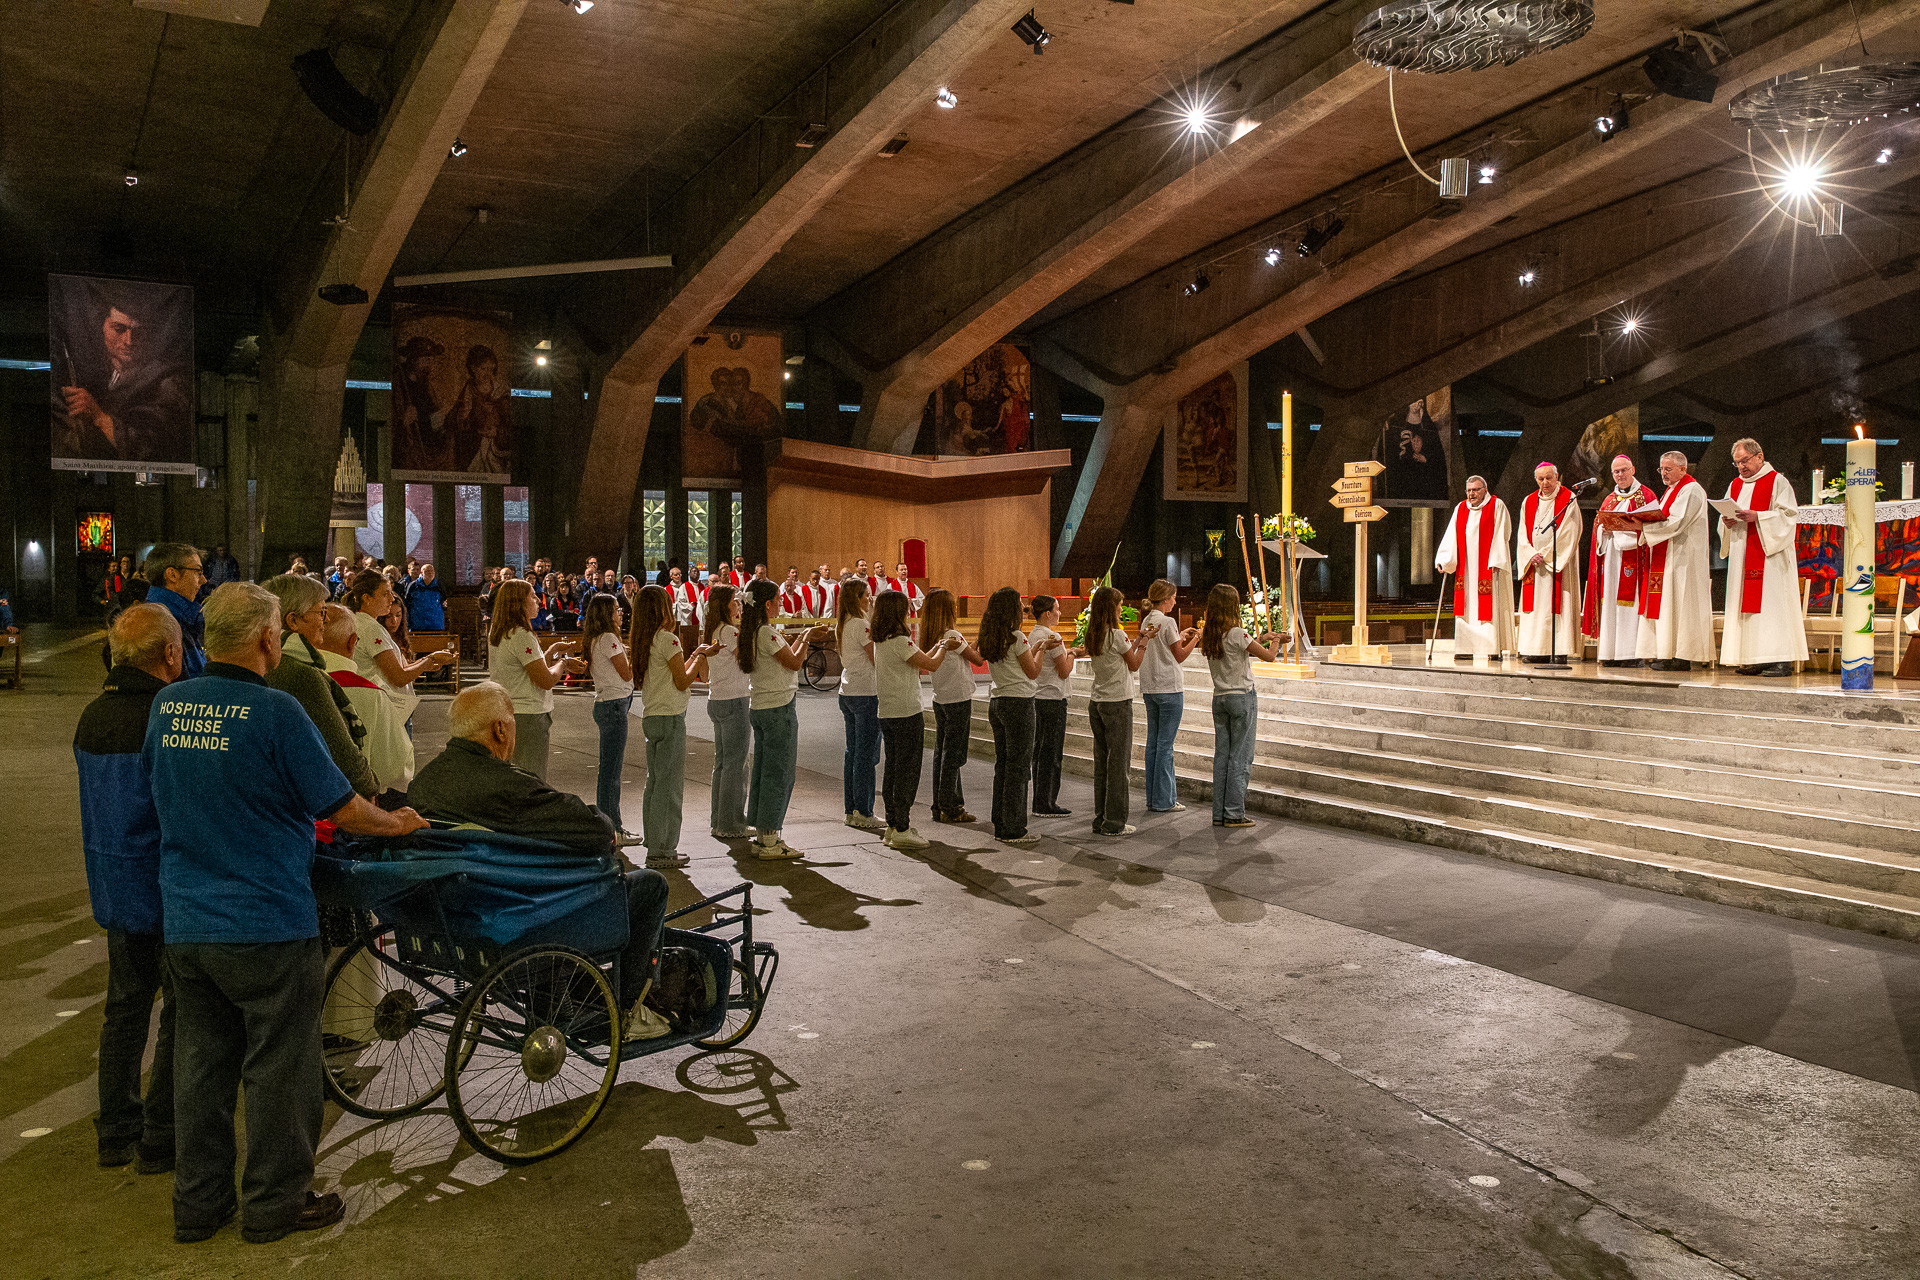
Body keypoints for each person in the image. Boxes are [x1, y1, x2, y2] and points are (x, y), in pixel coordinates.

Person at [147, 582, 426, 1245]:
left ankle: (199, 1203)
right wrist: (399, 823)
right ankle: (275, 1202)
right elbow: (343, 807)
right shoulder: (276, 711)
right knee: (280, 1069)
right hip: (266, 920)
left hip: (186, 919)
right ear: (269, 640)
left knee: (201, 1068)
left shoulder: (167, 704)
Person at [407, 683, 673, 1041]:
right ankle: (628, 1007)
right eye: (512, 722)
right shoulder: (507, 785)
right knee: (651, 884)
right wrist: (603, 823)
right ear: (500, 729)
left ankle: (571, 993)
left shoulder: (423, 783)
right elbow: (592, 830)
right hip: (521, 914)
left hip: (456, 910)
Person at [74, 603, 182, 1175]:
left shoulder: (93, 714)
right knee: (181, 1013)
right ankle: (161, 1132)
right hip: (164, 883)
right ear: (170, 653)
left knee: (125, 1010)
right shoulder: (163, 716)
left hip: (114, 885)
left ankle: (115, 1129)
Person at [262, 576, 377, 799]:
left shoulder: (266, 662)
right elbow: (341, 752)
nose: (326, 620)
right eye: (321, 612)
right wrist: (369, 786)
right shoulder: (300, 674)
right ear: (293, 621)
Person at [54, 282, 193, 463]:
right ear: (103, 327)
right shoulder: (101, 375)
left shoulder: (168, 383)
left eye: (138, 332)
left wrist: (99, 417)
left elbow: (155, 449)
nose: (129, 341)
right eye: (119, 329)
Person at [872, 589, 958, 850]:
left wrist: (936, 648)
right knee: (907, 772)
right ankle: (902, 827)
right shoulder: (900, 640)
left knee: (893, 769)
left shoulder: (883, 640)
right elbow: (931, 665)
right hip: (906, 712)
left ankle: (893, 824)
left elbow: (920, 658)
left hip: (888, 711)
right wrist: (944, 646)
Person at [1718, 437, 1807, 676]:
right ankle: (1755, 657)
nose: (1741, 467)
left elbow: (1789, 516)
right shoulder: (1735, 485)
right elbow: (1725, 513)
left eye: (1745, 461)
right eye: (1737, 463)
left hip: (1770, 556)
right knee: (1746, 606)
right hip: (1742, 552)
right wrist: (1726, 521)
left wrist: (1758, 517)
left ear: (1759, 456)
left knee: (1773, 606)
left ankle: (1780, 660)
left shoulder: (1777, 481)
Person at [1625, 451, 1714, 671]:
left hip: (1684, 560)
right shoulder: (1671, 491)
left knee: (1680, 606)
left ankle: (1681, 656)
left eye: (1668, 469)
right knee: (1668, 606)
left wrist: (1643, 526)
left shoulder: (1691, 489)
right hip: (1669, 558)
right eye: (1661, 469)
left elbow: (1676, 522)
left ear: (1683, 469)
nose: (1663, 473)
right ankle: (1667, 652)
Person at [487, 579, 584, 779]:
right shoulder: (521, 635)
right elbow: (545, 680)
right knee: (530, 778)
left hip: (507, 710)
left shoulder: (501, 631)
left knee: (513, 777)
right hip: (528, 715)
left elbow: (526, 669)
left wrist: (551, 651)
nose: (538, 601)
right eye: (532, 596)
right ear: (519, 603)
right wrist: (563, 664)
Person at [740, 579, 809, 859]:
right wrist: (806, 639)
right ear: (767, 604)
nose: (780, 604)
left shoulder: (751, 632)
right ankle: (770, 838)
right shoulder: (766, 632)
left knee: (763, 771)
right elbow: (793, 662)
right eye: (778, 600)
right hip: (778, 707)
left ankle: (762, 834)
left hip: (760, 706)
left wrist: (798, 640)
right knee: (778, 774)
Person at [1200, 585, 1278, 827]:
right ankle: (1234, 813)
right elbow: (1269, 656)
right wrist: (1276, 640)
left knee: (1222, 757)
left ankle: (1219, 813)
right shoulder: (1237, 633)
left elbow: (1243, 646)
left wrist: (1260, 638)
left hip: (1220, 698)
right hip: (1241, 698)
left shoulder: (1210, 634)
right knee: (1241, 757)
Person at [631, 585, 697, 869]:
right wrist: (701, 657)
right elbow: (682, 681)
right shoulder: (668, 639)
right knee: (669, 788)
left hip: (652, 716)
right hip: (670, 717)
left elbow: (673, 672)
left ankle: (654, 841)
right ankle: (663, 849)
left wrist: (695, 656)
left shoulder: (644, 640)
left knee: (655, 783)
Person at [313, 605, 413, 794]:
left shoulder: (288, 681)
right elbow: (396, 769)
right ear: (352, 643)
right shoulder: (370, 694)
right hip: (356, 796)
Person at [1077, 585, 1150, 837]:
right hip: (1117, 703)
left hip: (1097, 701)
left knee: (1102, 765)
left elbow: (1121, 654)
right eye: (1119, 604)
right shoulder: (1117, 635)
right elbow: (1134, 663)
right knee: (1119, 765)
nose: (1121, 608)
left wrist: (1137, 640)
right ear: (1111, 607)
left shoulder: (1094, 633)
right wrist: (1145, 643)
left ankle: (1101, 819)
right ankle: (1115, 822)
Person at [978, 587, 1046, 846]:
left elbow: (1017, 662)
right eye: (1019, 603)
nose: (1023, 607)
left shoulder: (991, 636)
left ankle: (1001, 822)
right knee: (1018, 768)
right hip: (1019, 703)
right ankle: (1015, 828)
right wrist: (1041, 650)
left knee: (1004, 765)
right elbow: (1032, 671)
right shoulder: (1017, 636)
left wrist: (1034, 647)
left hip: (998, 702)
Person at [1581, 455, 1657, 667]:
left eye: (1624, 470)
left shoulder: (1646, 496)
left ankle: (1631, 654)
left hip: (1635, 558)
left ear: (1633, 470)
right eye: (1616, 472)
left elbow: (1652, 528)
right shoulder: (1609, 499)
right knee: (1610, 604)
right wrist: (1603, 531)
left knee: (1631, 606)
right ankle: (1610, 653)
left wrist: (1622, 530)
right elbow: (1598, 529)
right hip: (1612, 559)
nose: (1620, 475)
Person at [1434, 474, 1516, 660]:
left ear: (1485, 490)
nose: (1471, 494)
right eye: (1469, 490)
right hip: (1466, 569)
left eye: (1476, 490)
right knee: (1466, 607)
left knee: (1489, 607)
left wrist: (1497, 559)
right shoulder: (1461, 508)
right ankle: (1465, 648)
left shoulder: (1496, 505)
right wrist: (1445, 559)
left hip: (1489, 567)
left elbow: (1503, 533)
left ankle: (1491, 648)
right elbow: (1451, 534)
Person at [692, 584, 751, 839]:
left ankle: (718, 819)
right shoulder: (730, 631)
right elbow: (746, 662)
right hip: (734, 698)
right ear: (726, 605)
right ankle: (731, 823)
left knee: (723, 763)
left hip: (716, 698)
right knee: (736, 765)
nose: (738, 605)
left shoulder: (712, 631)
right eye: (735, 601)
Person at [582, 593, 640, 845]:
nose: (621, 613)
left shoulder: (598, 638)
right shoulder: (608, 638)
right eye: (617, 609)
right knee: (611, 772)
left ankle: (607, 826)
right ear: (606, 614)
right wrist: (639, 657)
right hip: (614, 704)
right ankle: (613, 828)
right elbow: (627, 674)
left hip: (609, 703)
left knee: (608, 770)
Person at [1137, 579, 1197, 814]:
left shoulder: (1147, 620)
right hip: (1169, 688)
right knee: (1165, 746)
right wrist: (1196, 638)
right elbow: (1179, 655)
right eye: (1173, 597)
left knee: (1153, 743)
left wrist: (1179, 635)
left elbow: (1164, 645)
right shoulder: (1168, 620)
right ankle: (1165, 800)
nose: (1174, 601)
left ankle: (1154, 798)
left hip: (1151, 687)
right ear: (1164, 599)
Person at [922, 589, 982, 824]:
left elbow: (966, 651)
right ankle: (951, 806)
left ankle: (940, 805)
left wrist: (977, 641)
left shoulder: (935, 636)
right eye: (953, 605)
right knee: (954, 756)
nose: (956, 609)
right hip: (958, 699)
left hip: (941, 698)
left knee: (942, 754)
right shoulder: (952, 635)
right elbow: (977, 659)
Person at [1516, 461, 1582, 663]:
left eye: (1548, 478)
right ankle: (1536, 650)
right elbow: (1521, 533)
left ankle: (1559, 650)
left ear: (1557, 477)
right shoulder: (1528, 501)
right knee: (1536, 608)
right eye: (1540, 479)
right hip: (1534, 564)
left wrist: (1545, 554)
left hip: (1557, 563)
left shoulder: (1568, 498)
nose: (1545, 483)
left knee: (1558, 605)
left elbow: (1570, 531)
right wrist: (1530, 553)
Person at [835, 578, 884, 832]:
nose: (870, 599)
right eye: (867, 595)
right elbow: (876, 658)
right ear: (857, 598)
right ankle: (864, 811)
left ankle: (851, 808)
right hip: (866, 693)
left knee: (852, 753)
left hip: (849, 691)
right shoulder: (860, 624)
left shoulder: (844, 622)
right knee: (866, 755)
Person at [1027, 595, 1075, 816]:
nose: (1059, 613)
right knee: (1052, 754)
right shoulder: (1051, 636)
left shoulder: (1033, 634)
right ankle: (1046, 802)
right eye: (1057, 609)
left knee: (1040, 752)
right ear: (1047, 613)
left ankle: (1040, 800)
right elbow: (1063, 670)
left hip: (1038, 697)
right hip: (1053, 698)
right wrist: (1073, 653)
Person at [143, 543, 207, 677]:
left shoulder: (182, 617)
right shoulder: (165, 625)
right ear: (172, 575)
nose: (203, 580)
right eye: (198, 572)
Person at [667, 565, 703, 656]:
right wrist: (692, 606)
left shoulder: (702, 586)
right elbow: (681, 603)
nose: (696, 574)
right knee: (687, 643)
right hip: (688, 619)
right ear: (689, 574)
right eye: (694, 572)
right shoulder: (684, 587)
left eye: (697, 572)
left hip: (699, 619)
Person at [407, 562, 446, 632]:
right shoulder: (413, 586)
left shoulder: (439, 586)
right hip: (417, 625)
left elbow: (444, 602)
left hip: (436, 625)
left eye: (432, 571)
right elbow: (407, 604)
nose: (430, 573)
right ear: (421, 573)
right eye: (427, 571)